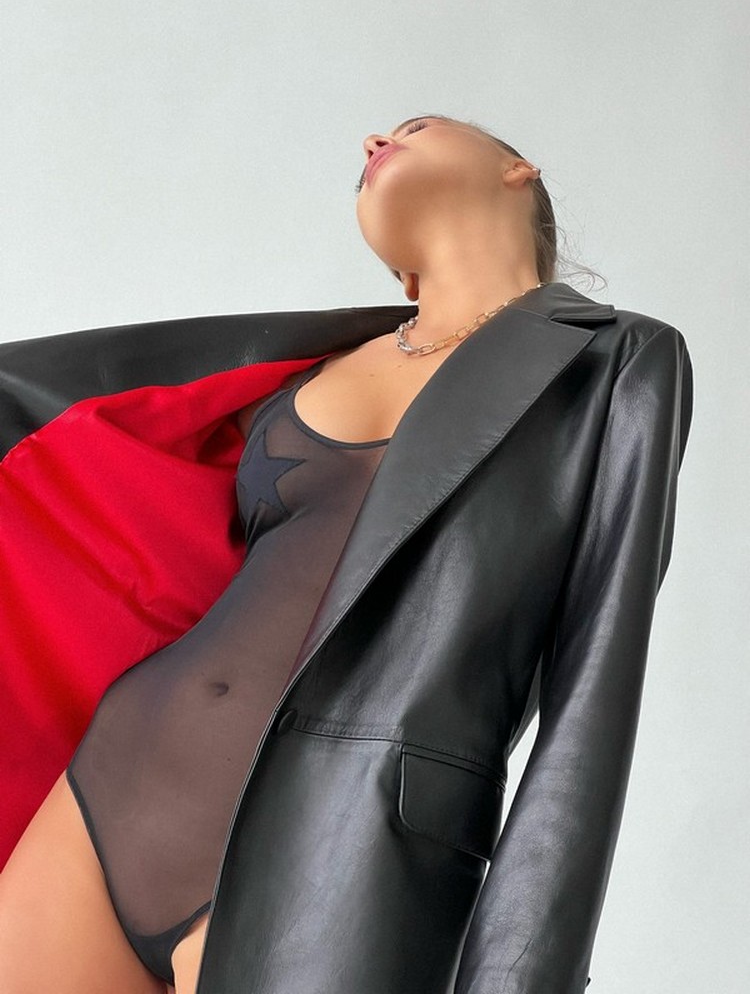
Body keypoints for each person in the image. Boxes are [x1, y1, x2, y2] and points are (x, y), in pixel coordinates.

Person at [0, 114, 693, 994]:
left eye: (415, 126)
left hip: (335, 850)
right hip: (107, 793)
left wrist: (523, 976)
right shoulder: (305, 367)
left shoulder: (615, 361)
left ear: (519, 169)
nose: (373, 141)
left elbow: (596, 688)